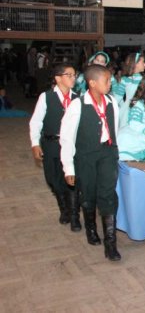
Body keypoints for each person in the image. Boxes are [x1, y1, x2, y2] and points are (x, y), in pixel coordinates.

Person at [60, 65, 121, 261]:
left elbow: (115, 128)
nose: (110, 84)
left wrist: (116, 151)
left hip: (107, 153)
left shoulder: (112, 102)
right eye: (106, 81)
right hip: (85, 156)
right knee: (89, 193)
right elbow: (67, 138)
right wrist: (68, 167)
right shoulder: (77, 105)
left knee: (108, 194)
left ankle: (110, 243)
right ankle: (91, 228)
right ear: (92, 83)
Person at [29, 64, 81, 231]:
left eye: (74, 75)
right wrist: (35, 143)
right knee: (53, 179)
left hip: (72, 145)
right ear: (58, 78)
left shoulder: (78, 99)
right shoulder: (46, 97)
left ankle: (74, 215)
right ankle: (63, 208)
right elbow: (36, 121)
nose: (73, 78)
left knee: (71, 178)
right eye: (69, 75)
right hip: (52, 143)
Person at [114, 52, 145, 128]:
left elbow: (117, 97)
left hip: (140, 108)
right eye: (143, 62)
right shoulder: (125, 79)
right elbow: (117, 97)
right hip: (129, 110)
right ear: (135, 63)